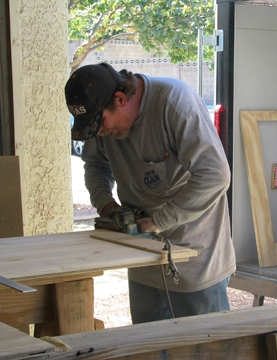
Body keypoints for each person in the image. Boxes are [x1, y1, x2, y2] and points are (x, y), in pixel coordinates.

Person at [65, 63, 236, 323]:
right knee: (149, 345)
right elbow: (96, 165)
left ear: (120, 99)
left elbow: (215, 175)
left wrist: (159, 221)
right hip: (143, 254)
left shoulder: (174, 103)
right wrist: (106, 205)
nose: (99, 132)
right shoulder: (101, 121)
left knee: (205, 346)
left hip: (195, 255)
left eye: (101, 124)